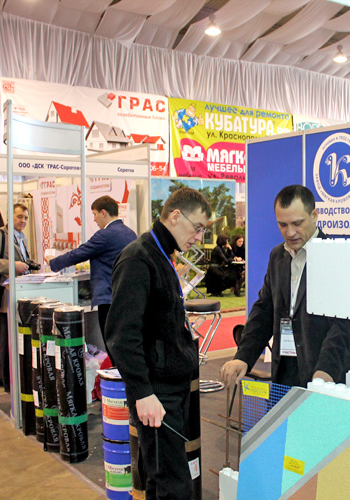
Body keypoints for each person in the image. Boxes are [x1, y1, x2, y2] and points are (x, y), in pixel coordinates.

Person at [105, 187, 211, 499]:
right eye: (197, 227)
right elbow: (122, 335)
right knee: (173, 485)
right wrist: (143, 392)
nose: (199, 237)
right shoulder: (138, 258)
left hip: (171, 387)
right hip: (157, 392)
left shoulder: (161, 255)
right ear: (176, 216)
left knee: (161, 479)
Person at [221, 185, 350, 388]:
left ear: (314, 215)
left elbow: (344, 323)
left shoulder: (337, 258)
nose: (290, 232)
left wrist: (326, 370)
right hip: (286, 372)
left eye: (297, 223)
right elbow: (264, 310)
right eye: (282, 225)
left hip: (327, 376)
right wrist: (243, 357)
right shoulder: (277, 256)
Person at [44, 196, 136, 346]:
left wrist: (53, 262)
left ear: (103, 213)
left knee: (111, 342)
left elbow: (79, 253)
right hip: (127, 296)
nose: (94, 219)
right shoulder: (130, 234)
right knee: (124, 343)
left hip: (108, 297)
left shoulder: (105, 235)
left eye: (95, 214)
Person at [0, 203, 32, 392]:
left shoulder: (22, 237)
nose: (23, 221)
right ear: (10, 216)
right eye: (19, 217)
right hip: (5, 295)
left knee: (12, 338)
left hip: (19, 292)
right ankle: (7, 381)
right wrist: (12, 265)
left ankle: (3, 377)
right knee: (7, 339)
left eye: (25, 218)